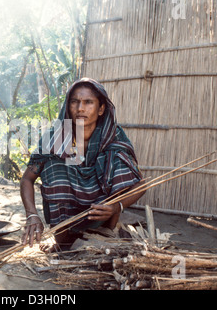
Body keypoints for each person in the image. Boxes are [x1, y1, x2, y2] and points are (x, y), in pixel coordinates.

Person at [20, 78, 146, 251]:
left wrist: (117, 206)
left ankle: (106, 234)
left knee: (115, 158)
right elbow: (27, 179)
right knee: (53, 165)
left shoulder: (113, 136)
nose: (80, 108)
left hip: (103, 217)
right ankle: (63, 242)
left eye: (88, 102)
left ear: (101, 109)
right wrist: (32, 215)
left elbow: (141, 185)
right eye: (74, 102)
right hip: (65, 224)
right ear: (68, 106)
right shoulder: (55, 137)